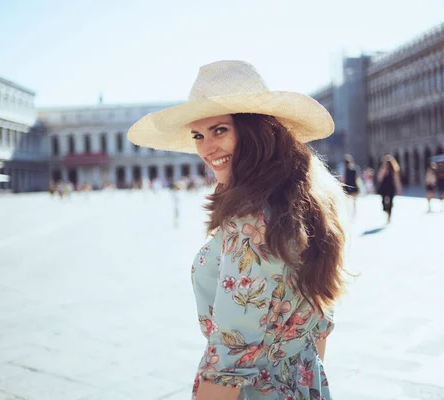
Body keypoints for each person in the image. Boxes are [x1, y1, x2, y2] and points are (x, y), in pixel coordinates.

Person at [128, 60, 348, 400]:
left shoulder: (251, 223)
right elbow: (321, 324)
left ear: (255, 130)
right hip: (306, 383)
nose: (206, 148)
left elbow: (228, 360)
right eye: (198, 135)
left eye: (219, 130)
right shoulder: (314, 198)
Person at [377, 155, 402, 224]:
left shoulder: (394, 170)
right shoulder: (383, 169)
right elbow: (379, 178)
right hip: (384, 187)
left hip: (391, 187)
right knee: (383, 202)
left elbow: (397, 180)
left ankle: (389, 216)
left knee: (390, 202)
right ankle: (386, 210)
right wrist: (384, 169)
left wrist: (399, 189)